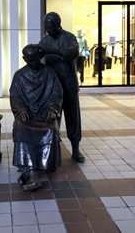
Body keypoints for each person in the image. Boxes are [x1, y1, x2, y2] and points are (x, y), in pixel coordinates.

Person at [10, 44, 63, 191]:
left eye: (35, 58)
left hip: (44, 114)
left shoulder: (49, 73)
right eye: (29, 59)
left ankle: (40, 166)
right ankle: (31, 170)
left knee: (51, 128)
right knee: (22, 127)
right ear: (24, 59)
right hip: (28, 115)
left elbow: (57, 93)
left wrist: (52, 108)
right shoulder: (19, 75)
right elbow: (15, 96)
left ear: (40, 57)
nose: (33, 62)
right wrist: (20, 109)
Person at [38, 12, 85, 163]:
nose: (48, 31)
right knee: (52, 117)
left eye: (50, 28)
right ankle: (52, 149)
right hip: (52, 85)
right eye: (46, 28)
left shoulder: (69, 37)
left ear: (58, 25)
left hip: (69, 83)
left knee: (72, 116)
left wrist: (52, 50)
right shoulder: (45, 39)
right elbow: (38, 53)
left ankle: (76, 148)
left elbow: (73, 52)